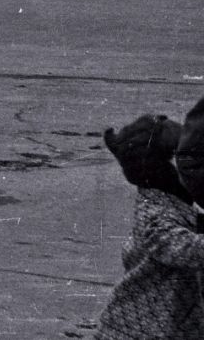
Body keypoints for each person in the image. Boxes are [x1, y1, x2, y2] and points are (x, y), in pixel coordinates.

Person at [93, 114, 204, 339]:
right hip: (137, 332)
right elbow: (188, 248)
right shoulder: (155, 217)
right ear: (166, 167)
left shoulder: (169, 203)